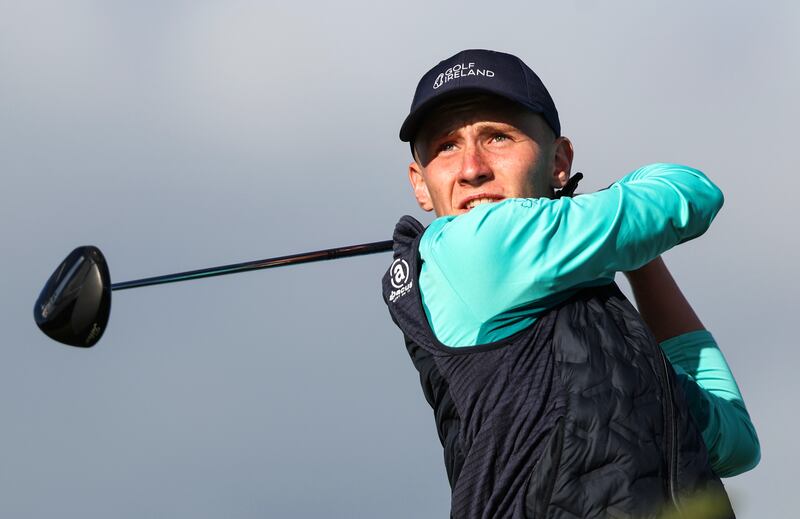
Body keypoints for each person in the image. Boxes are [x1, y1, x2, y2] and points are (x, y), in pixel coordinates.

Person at [381, 49, 759, 518]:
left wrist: (633, 254)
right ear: (420, 184)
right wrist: (611, 219)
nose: (472, 167)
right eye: (446, 147)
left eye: (497, 137)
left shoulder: (602, 334)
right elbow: (690, 192)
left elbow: (735, 441)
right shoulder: (470, 247)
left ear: (559, 161)